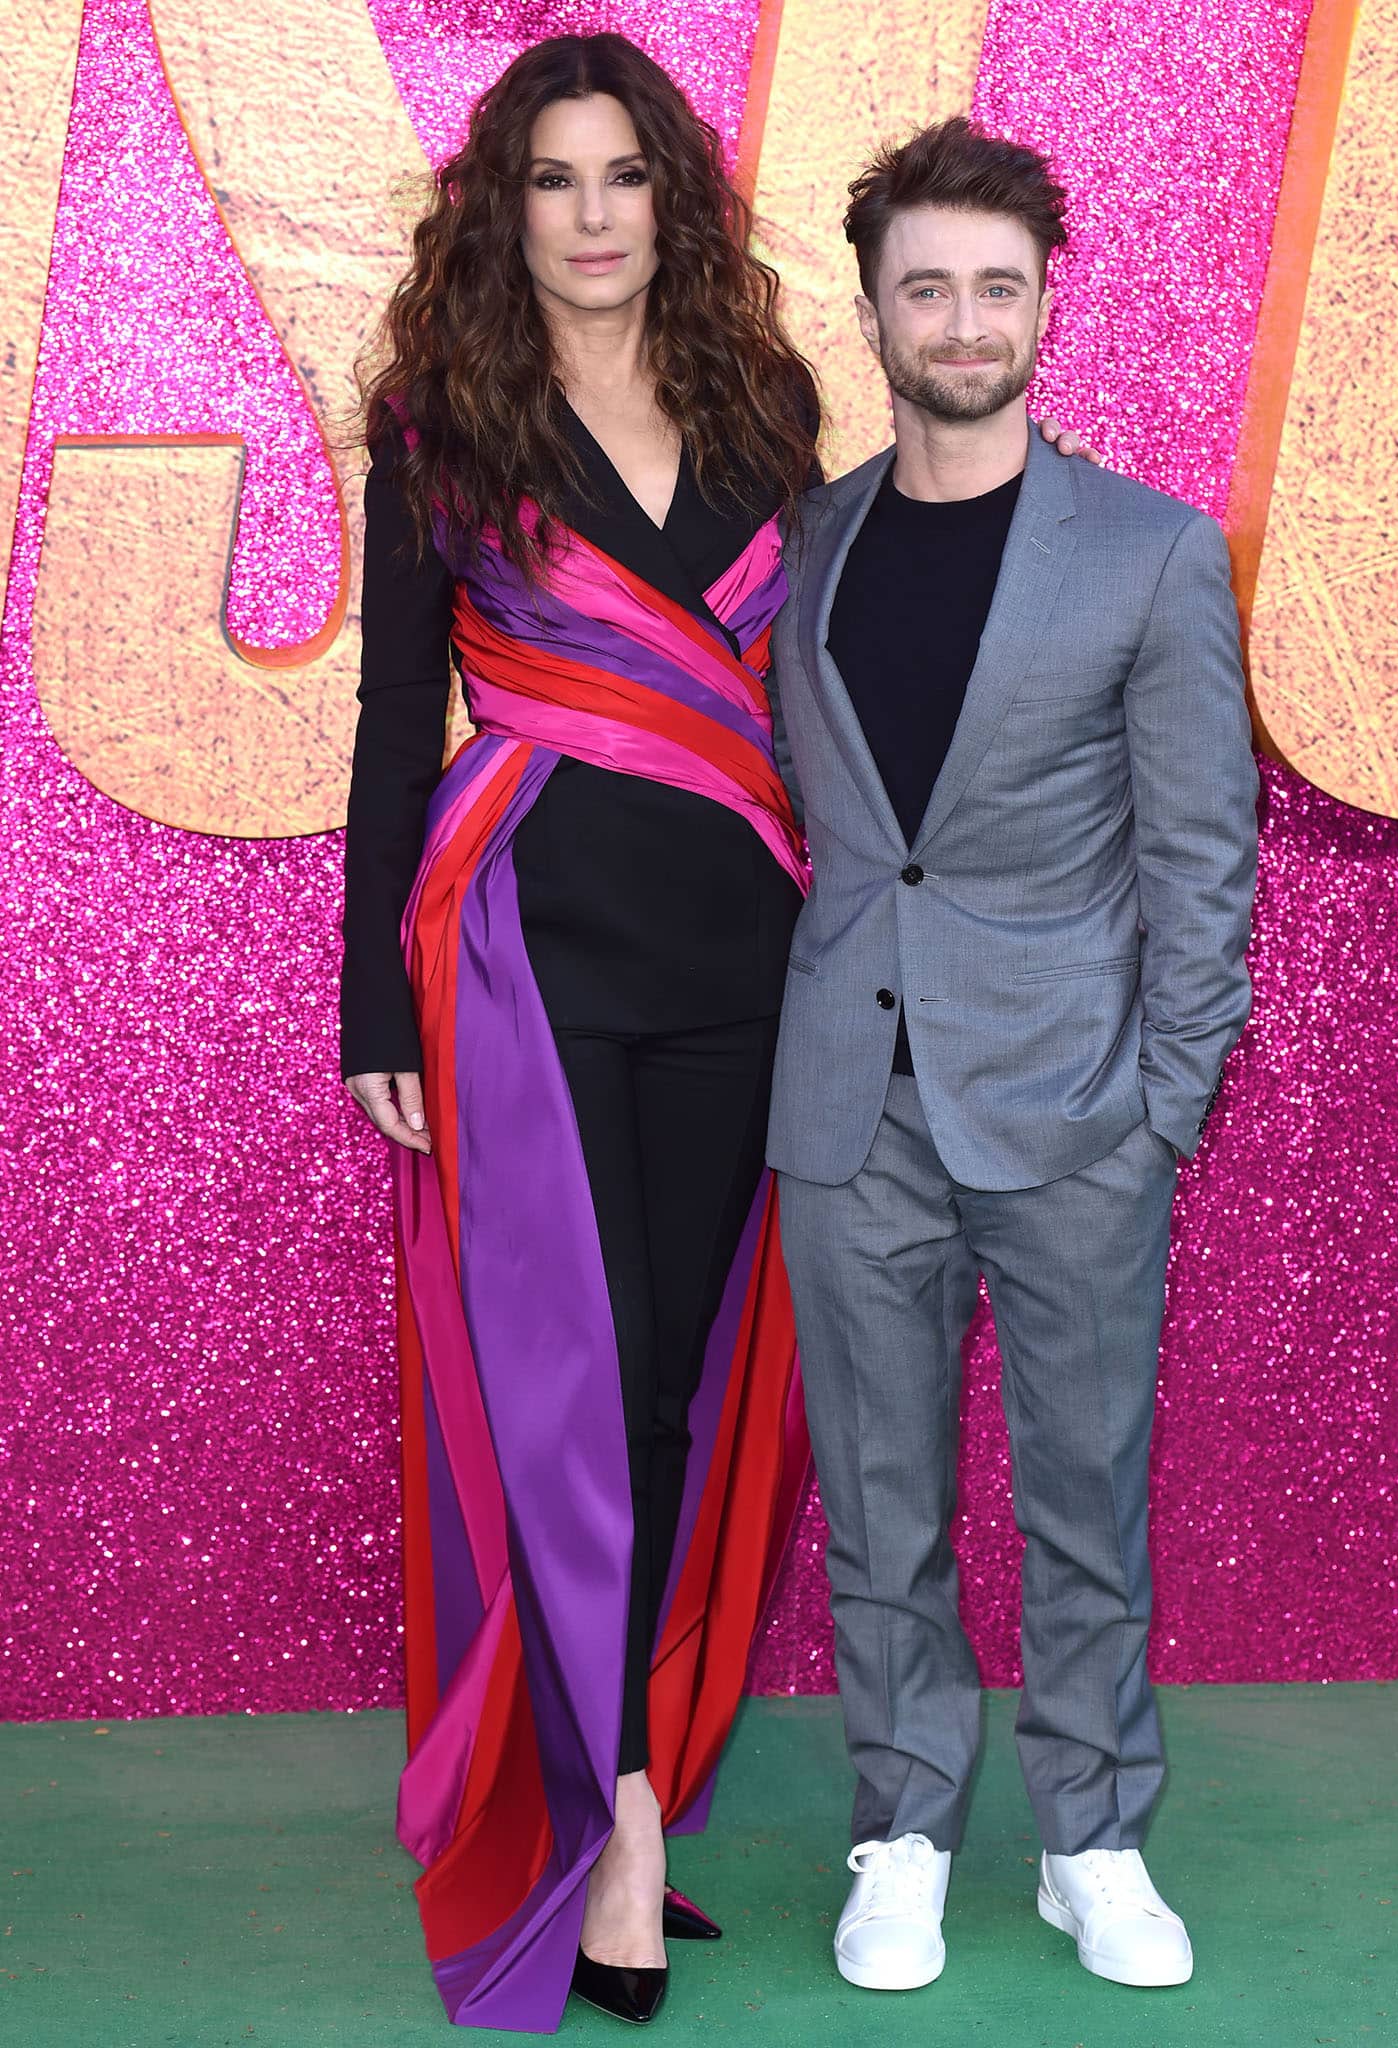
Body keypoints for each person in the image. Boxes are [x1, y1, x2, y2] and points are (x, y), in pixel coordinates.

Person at [340, 34, 818, 2031]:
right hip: (528, 970)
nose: (596, 213)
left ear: (672, 199)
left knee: (679, 1401)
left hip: (746, 963)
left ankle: (614, 1770)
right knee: (581, 1392)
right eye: (556, 178)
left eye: (626, 175)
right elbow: (391, 725)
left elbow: (815, 702)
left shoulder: (766, 403)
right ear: (502, 204)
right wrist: (373, 991)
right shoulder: (443, 422)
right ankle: (615, 1817)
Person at [766, 119, 1260, 1996]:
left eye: (995, 287)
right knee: (879, 1501)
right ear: (874, 310)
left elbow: (1200, 854)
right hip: (848, 1110)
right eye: (925, 289)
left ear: (1046, 304)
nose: (960, 321)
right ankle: (901, 1825)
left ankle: (1091, 1838)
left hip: (1073, 1115)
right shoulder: (807, 538)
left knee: (1083, 1495)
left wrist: (1160, 1108)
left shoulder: (1144, 553)